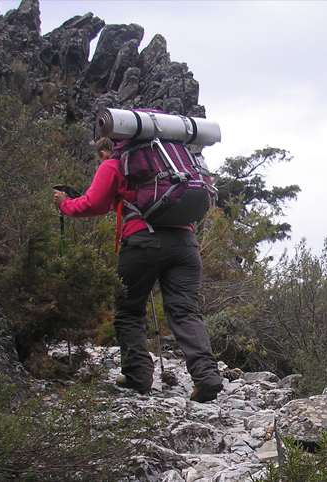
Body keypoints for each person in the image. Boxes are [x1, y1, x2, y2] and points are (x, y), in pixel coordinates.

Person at [53, 137, 224, 402]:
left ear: (104, 150)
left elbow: (93, 205)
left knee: (129, 310)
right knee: (185, 311)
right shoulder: (169, 162)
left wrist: (65, 203)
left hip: (143, 243)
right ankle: (207, 376)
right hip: (186, 245)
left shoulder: (113, 164)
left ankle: (137, 375)